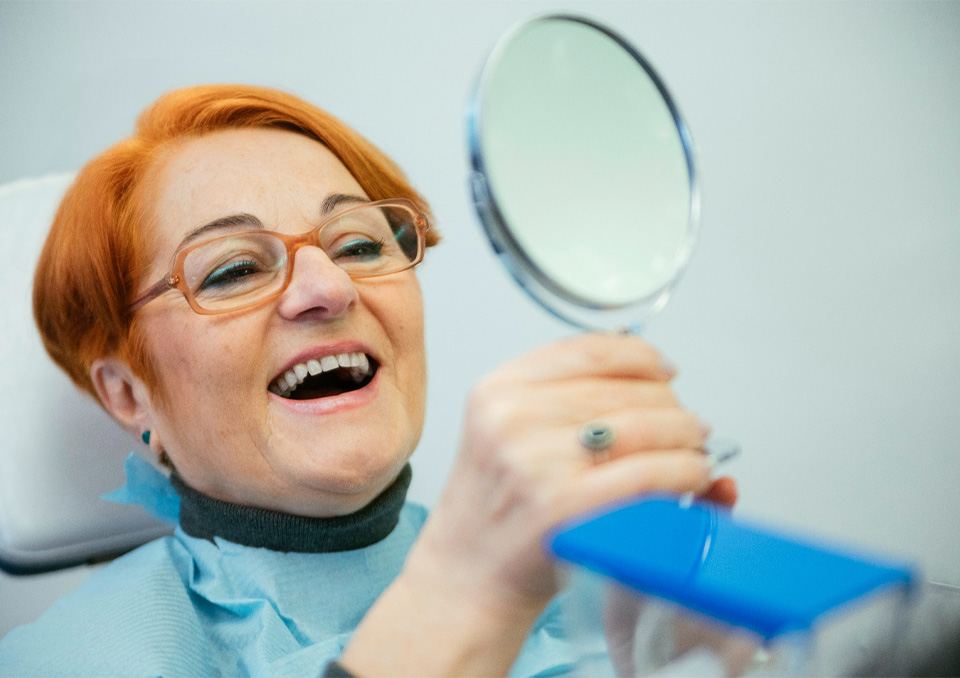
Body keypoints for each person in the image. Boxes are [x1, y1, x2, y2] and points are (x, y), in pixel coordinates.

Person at [0, 84, 735, 676]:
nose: (328, 286)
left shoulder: (576, 583)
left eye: (358, 242)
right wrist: (465, 597)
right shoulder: (67, 662)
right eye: (233, 269)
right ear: (128, 392)